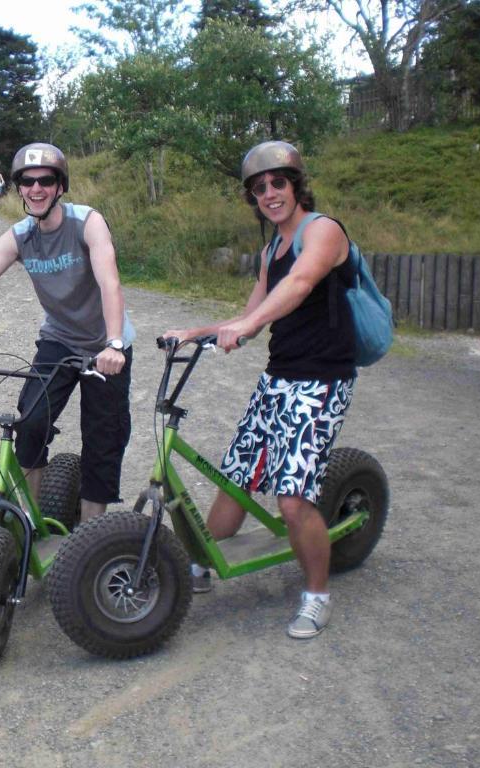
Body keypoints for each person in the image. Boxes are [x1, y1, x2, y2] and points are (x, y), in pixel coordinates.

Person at [163, 140, 358, 639]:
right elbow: (249, 315)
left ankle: (317, 596)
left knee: (292, 499)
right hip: (279, 377)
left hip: (321, 381)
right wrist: (198, 332)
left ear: (296, 185)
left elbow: (299, 285)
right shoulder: (271, 249)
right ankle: (200, 566)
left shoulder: (324, 232)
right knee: (236, 475)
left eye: (277, 183)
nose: (269, 193)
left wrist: (249, 325)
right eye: (258, 188)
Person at [0, 142, 134, 524]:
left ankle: (90, 535)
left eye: (45, 181)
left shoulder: (87, 222)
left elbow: (110, 282)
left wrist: (115, 342)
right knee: (30, 421)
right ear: (18, 188)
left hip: (106, 345)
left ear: (60, 186)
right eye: (27, 181)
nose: (36, 189)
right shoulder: (20, 236)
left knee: (103, 439)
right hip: (59, 340)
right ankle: (28, 521)